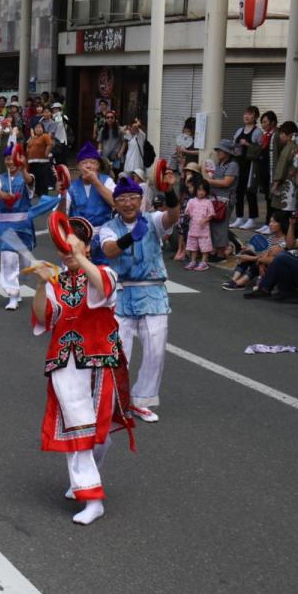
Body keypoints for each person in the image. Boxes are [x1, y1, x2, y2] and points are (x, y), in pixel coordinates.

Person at [30, 215, 134, 525]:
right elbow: (43, 318)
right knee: (78, 428)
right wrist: (41, 285)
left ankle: (83, 481)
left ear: (87, 247)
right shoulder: (56, 282)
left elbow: (102, 289)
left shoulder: (104, 272)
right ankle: (92, 497)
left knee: (98, 433)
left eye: (73, 245)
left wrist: (80, 258)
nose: (66, 252)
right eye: (62, 247)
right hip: (65, 364)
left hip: (100, 361)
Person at [98, 175, 181, 423]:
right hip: (122, 293)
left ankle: (142, 400)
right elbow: (109, 250)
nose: (128, 203)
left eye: (133, 198)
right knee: (119, 353)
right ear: (115, 203)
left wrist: (170, 190)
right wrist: (130, 237)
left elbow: (173, 216)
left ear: (141, 200)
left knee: (155, 350)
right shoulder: (108, 227)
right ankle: (116, 401)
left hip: (153, 292)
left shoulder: (152, 220)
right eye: (122, 199)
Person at [0, 145, 36, 310]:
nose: (11, 162)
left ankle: (18, 284)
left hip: (23, 224)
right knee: (8, 259)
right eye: (8, 158)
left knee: (25, 262)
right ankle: (12, 295)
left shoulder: (27, 177)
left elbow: (30, 182)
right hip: (5, 225)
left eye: (14, 158)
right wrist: (5, 196)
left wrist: (23, 168)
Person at [230, 106, 261, 229]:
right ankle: (239, 217)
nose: (246, 116)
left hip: (250, 166)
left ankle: (252, 219)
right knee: (238, 191)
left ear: (256, 117)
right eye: (245, 113)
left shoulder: (257, 132)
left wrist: (247, 144)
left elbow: (260, 150)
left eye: (250, 114)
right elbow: (234, 145)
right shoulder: (239, 130)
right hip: (238, 165)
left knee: (250, 192)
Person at [207, 139, 239, 259]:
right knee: (213, 225)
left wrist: (209, 181)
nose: (218, 152)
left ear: (227, 152)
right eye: (218, 150)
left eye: (221, 150)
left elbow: (226, 182)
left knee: (221, 226)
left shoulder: (233, 165)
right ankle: (214, 251)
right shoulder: (218, 164)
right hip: (214, 198)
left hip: (225, 200)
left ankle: (221, 253)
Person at [183, 178, 215, 271]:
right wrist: (188, 215)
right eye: (199, 190)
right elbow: (187, 212)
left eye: (203, 190)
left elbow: (211, 214)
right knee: (193, 246)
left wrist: (205, 220)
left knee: (205, 247)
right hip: (193, 228)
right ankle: (193, 261)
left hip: (204, 230)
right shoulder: (191, 201)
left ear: (206, 191)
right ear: (196, 190)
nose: (201, 192)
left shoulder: (208, 202)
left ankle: (204, 262)